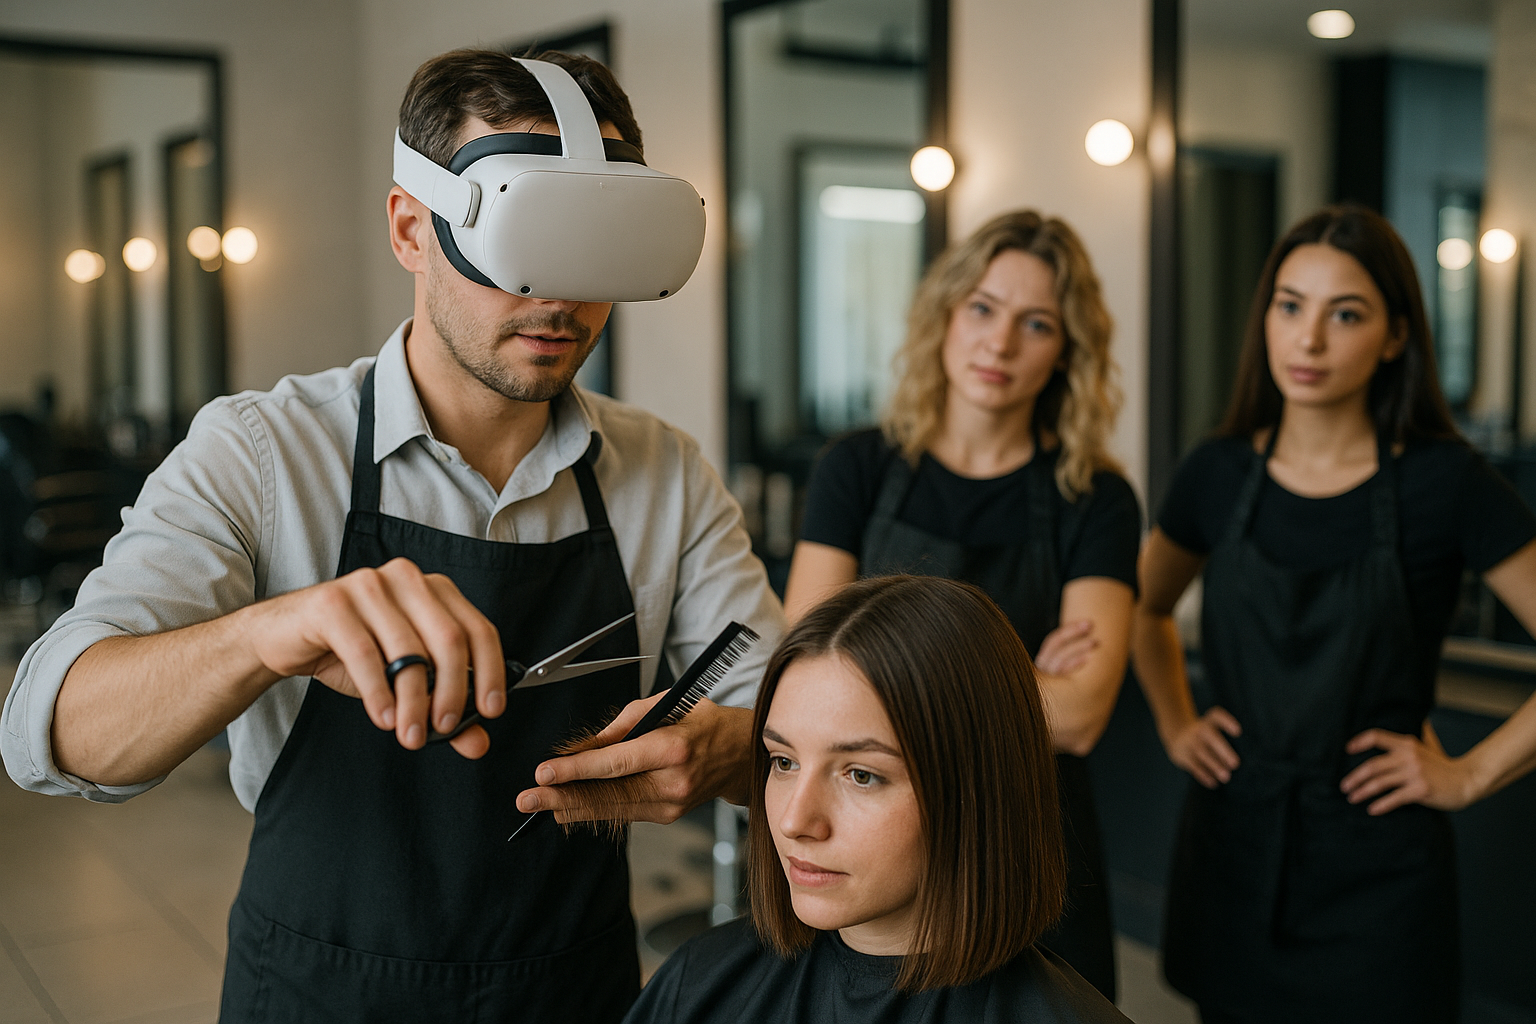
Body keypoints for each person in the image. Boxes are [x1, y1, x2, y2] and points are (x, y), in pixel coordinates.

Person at [0, 49, 785, 1023]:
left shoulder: (665, 472)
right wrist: (266, 635)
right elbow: (50, 732)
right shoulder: (261, 450)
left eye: (594, 244)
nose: (561, 299)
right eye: (523, 240)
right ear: (413, 227)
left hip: (572, 989)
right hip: (319, 990)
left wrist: (728, 749)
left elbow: (785, 726)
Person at [1132, 204, 1536, 1023]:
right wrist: (1177, 722)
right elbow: (1144, 610)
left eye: (1344, 314)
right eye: (1290, 305)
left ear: (1394, 337)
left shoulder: (1446, 484)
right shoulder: (1214, 473)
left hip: (1380, 871)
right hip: (1235, 842)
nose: (1307, 340)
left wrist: (1467, 774)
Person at [782, 210, 1140, 997]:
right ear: (943, 315)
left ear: (1066, 351)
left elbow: (1080, 715)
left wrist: (876, 692)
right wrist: (1014, 684)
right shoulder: (858, 469)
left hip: (1029, 844)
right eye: (981, 308)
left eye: (1036, 323)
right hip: (864, 833)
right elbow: (803, 677)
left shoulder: (1096, 500)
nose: (1000, 343)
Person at [623, 575, 1129, 1024]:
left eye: (861, 775)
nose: (795, 821)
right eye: (783, 761)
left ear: (977, 790)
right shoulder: (698, 987)